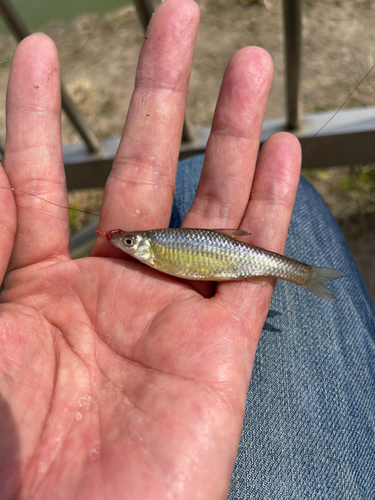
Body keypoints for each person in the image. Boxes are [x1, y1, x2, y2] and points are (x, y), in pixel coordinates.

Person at [0, 0, 374, 498]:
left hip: (237, 257)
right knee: (267, 191)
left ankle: (301, 271)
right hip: (234, 259)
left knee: (209, 178)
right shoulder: (149, 249)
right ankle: (301, 268)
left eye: (133, 243)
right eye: (133, 243)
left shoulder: (156, 249)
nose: (132, 247)